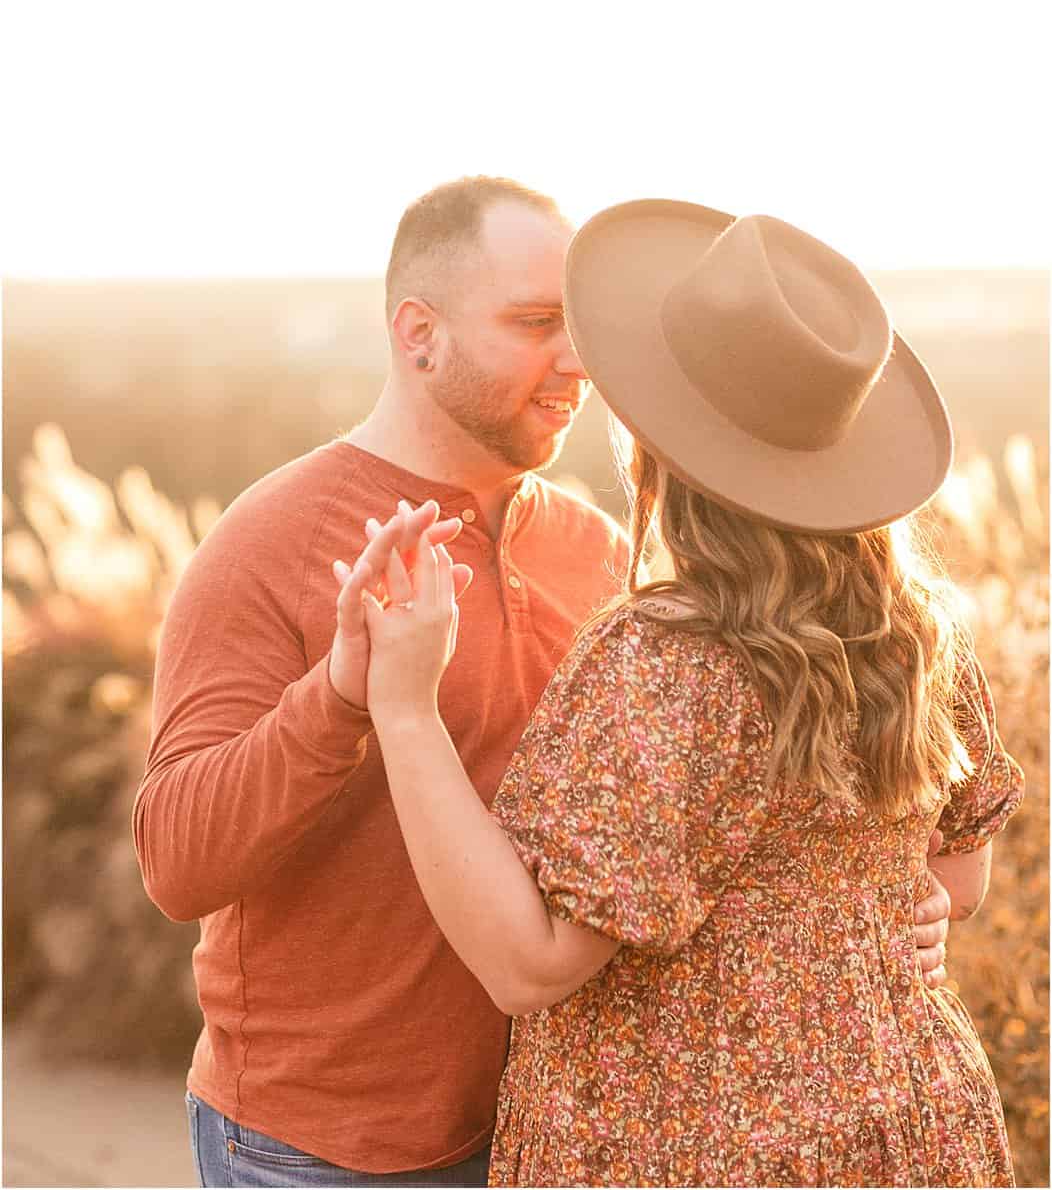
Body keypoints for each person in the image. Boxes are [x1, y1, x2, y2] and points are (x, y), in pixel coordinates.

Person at [133, 179, 952, 1187]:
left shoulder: (596, 552)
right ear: (417, 332)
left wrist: (891, 907)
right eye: (532, 324)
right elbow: (176, 864)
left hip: (560, 1135)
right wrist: (342, 692)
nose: (576, 359)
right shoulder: (270, 543)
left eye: (576, 323)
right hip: (328, 1146)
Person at [349, 199, 1024, 1188]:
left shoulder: (665, 660)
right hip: (904, 1122)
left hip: (693, 1141)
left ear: (655, 446)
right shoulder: (915, 627)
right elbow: (954, 880)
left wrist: (404, 709)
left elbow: (529, 963)